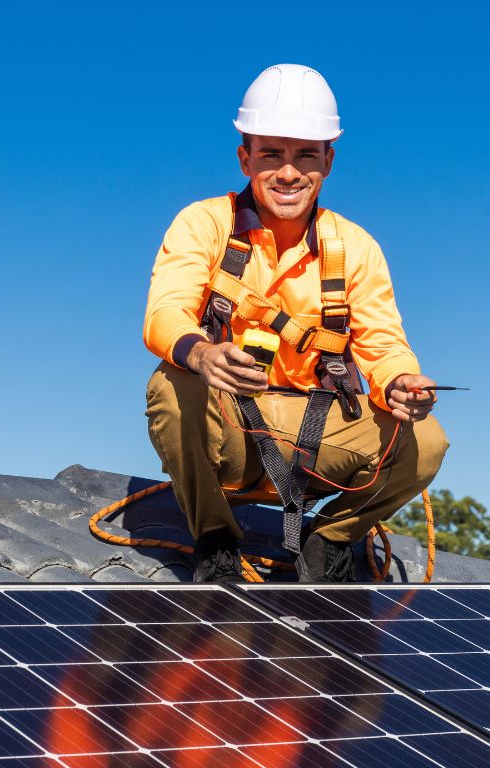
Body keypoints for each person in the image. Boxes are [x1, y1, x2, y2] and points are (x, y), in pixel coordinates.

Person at [144, 64, 448, 583]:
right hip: (231, 429)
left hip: (319, 433)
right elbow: (165, 312)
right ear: (245, 158)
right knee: (172, 386)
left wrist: (402, 383)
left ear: (329, 161)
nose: (289, 172)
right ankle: (215, 539)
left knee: (427, 442)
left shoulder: (355, 246)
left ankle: (328, 540)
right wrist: (201, 353)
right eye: (271, 155)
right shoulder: (204, 223)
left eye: (306, 155)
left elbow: (383, 343)